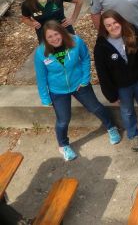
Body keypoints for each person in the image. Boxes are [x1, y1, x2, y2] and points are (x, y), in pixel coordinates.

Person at [35, 21, 121, 161]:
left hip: (79, 84)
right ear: (45, 38)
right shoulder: (41, 52)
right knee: (63, 120)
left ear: (62, 32)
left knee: (96, 108)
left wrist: (85, 79)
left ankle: (111, 127)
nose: (54, 38)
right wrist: (45, 97)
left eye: (56, 34)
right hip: (58, 90)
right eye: (49, 37)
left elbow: (85, 58)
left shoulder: (76, 41)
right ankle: (63, 145)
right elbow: (41, 77)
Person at [93, 10, 138, 152]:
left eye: (115, 22)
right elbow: (102, 73)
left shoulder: (132, 32)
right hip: (121, 87)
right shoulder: (101, 46)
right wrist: (111, 94)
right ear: (104, 28)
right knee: (127, 111)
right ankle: (133, 135)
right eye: (108, 25)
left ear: (120, 21)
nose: (113, 27)